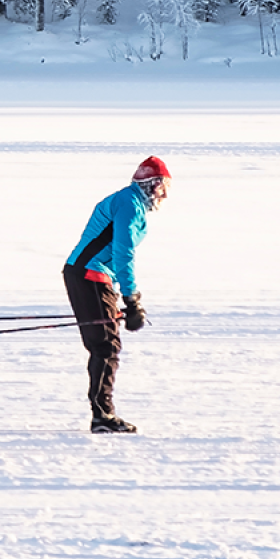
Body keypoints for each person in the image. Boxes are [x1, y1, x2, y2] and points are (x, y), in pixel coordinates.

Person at [63, 157, 170, 434]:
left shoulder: (129, 201)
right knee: (105, 347)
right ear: (150, 185)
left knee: (106, 344)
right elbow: (124, 254)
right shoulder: (129, 205)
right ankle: (102, 416)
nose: (166, 195)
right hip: (90, 276)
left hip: (92, 276)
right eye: (162, 187)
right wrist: (132, 299)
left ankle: (102, 413)